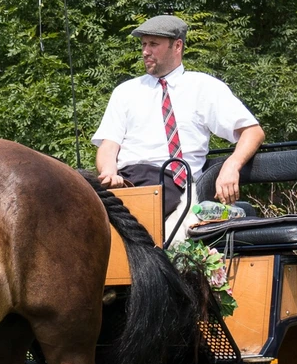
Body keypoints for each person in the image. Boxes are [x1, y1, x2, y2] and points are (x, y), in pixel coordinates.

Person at [91, 14, 265, 231]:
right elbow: (109, 146)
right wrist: (109, 173)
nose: (145, 51)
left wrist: (232, 166)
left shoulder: (203, 87)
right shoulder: (125, 92)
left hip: (174, 182)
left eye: (153, 44)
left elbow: (253, 131)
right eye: (144, 44)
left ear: (177, 46)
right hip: (128, 182)